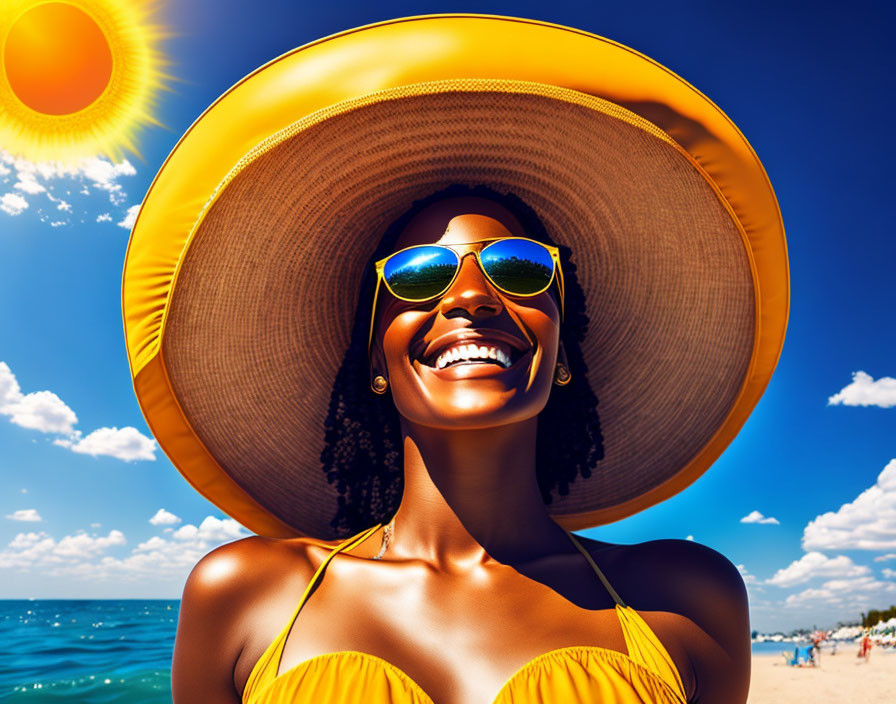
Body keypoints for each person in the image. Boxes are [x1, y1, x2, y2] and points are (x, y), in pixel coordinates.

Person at [122, 15, 788, 704]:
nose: (472, 295)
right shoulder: (244, 593)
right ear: (373, 360)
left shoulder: (684, 598)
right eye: (415, 276)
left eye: (521, 268)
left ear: (563, 350)